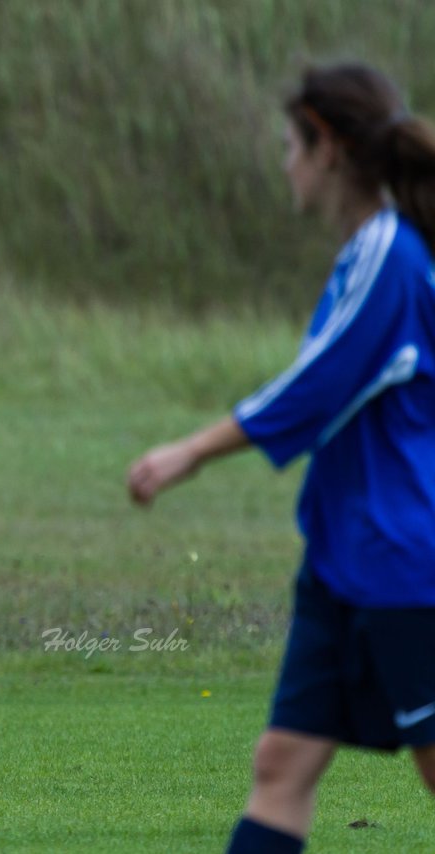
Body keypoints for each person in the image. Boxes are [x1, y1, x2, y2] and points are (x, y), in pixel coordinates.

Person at [127, 62, 435, 853]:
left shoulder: (390, 257)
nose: (283, 162)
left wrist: (189, 452)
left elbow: (316, 386)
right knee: (281, 767)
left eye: (289, 145)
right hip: (342, 566)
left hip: (406, 565)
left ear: (326, 147)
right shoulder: (367, 253)